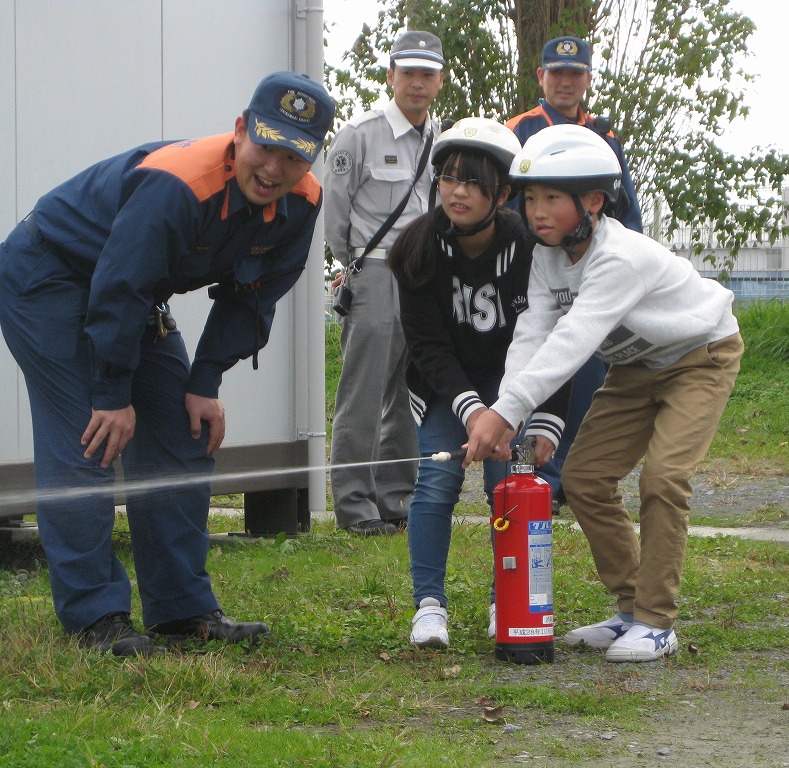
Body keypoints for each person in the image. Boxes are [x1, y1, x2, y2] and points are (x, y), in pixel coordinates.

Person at [0, 71, 335, 656]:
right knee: (91, 436)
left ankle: (181, 610)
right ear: (239, 130)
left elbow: (252, 297)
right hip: (47, 276)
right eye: (265, 145)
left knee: (184, 431)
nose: (274, 169)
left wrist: (203, 381)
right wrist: (111, 392)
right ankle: (95, 617)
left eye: (294, 156)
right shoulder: (178, 185)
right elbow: (118, 287)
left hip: (128, 292)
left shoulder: (301, 203)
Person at [464, 124, 743, 663]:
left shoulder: (620, 257)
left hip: (699, 358)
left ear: (593, 201)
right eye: (529, 198)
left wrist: (505, 413)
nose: (537, 211)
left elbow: (573, 340)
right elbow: (533, 332)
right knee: (586, 477)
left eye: (551, 198)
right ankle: (630, 608)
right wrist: (503, 413)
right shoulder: (547, 258)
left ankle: (658, 621)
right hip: (635, 368)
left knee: (664, 476)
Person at [387, 118, 569, 649]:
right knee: (436, 483)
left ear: (504, 193)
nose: (457, 191)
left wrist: (545, 422)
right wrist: (471, 412)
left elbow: (554, 341)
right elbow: (427, 347)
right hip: (446, 388)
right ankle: (428, 606)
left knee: (507, 489)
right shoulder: (417, 249)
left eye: (473, 182)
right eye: (448, 178)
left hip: (516, 387)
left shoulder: (532, 250)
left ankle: (506, 600)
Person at [505, 35, 644, 514]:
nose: (566, 82)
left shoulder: (605, 138)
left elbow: (625, 210)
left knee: (587, 374)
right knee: (542, 362)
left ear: (587, 80)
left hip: (596, 274)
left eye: (576, 74)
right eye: (556, 73)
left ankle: (569, 479)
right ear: (541, 77)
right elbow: (508, 211)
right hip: (538, 272)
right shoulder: (520, 129)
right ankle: (535, 475)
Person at [325, 30, 445, 536]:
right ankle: (354, 506)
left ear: (440, 81)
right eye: (409, 72)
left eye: (428, 74)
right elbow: (334, 211)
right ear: (391, 75)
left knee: (408, 392)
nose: (417, 83)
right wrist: (350, 262)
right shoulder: (360, 134)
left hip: (426, 274)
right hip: (375, 271)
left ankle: (397, 500)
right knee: (364, 390)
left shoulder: (442, 137)